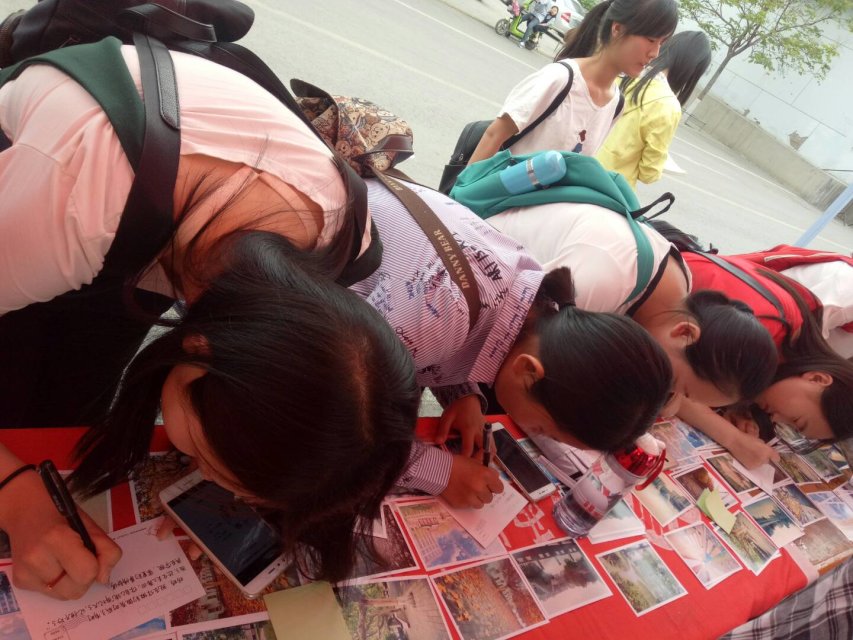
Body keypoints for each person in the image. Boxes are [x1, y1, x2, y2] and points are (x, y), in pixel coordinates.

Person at [0, 232, 422, 599]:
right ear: (200, 353)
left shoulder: (304, 313)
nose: (205, 476)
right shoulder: (75, 221)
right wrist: (18, 500)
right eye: (205, 460)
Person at [0, 38, 370, 427]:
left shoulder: (342, 242)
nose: (199, 465)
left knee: (73, 389)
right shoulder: (79, 200)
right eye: (205, 455)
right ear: (197, 346)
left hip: (162, 205)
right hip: (58, 163)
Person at [347, 176, 674, 508]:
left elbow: (451, 330)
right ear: (528, 371)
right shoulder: (442, 313)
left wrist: (463, 393)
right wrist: (440, 472)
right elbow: (335, 419)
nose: (537, 432)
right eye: (542, 429)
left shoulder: (524, 287)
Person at [479, 195, 780, 468]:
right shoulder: (599, 285)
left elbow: (678, 396)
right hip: (481, 308)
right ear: (684, 333)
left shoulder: (674, 302)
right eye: (675, 384)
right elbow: (512, 365)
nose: (668, 395)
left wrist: (732, 438)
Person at [654, 225, 853, 447]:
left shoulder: (792, 332)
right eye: (796, 420)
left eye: (791, 426)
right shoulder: (763, 331)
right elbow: (677, 378)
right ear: (817, 379)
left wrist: (733, 403)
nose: (776, 419)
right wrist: (733, 439)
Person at [469, 0, 678, 163]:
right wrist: (460, 199)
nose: (655, 53)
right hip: (496, 199)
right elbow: (494, 136)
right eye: (651, 40)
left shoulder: (616, 103)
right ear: (617, 29)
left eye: (662, 43)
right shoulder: (560, 78)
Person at [596, 30, 712, 187]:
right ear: (692, 70)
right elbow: (649, 173)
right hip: (607, 188)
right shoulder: (668, 105)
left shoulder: (624, 72)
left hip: (575, 165)